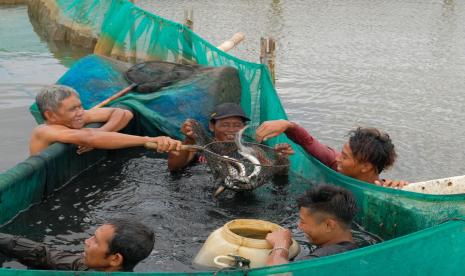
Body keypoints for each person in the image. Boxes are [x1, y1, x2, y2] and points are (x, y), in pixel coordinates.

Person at [30, 85, 182, 155]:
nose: (80, 112)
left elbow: (123, 113)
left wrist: (102, 132)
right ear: (50, 115)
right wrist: (148, 139)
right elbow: (89, 137)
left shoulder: (78, 117)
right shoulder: (45, 131)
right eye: (72, 109)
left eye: (80, 106)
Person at [255, 120, 408, 187]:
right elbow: (308, 142)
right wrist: (287, 125)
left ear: (366, 166)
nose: (338, 158)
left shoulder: (388, 190)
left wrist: (406, 190)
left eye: (345, 157)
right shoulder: (336, 165)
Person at [167, 102, 294, 171]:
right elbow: (174, 166)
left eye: (237, 125)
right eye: (225, 125)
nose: (232, 130)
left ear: (244, 127)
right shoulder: (198, 146)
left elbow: (273, 174)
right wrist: (189, 138)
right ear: (212, 126)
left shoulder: (254, 151)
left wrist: (281, 159)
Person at [0, 218, 154, 271]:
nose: (86, 241)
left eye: (95, 241)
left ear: (115, 259)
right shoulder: (87, 267)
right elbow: (43, 254)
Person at [266, 184, 358, 265]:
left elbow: (275, 273)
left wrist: (280, 245)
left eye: (303, 222)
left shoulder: (322, 259)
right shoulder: (354, 251)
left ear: (329, 225)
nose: (299, 226)